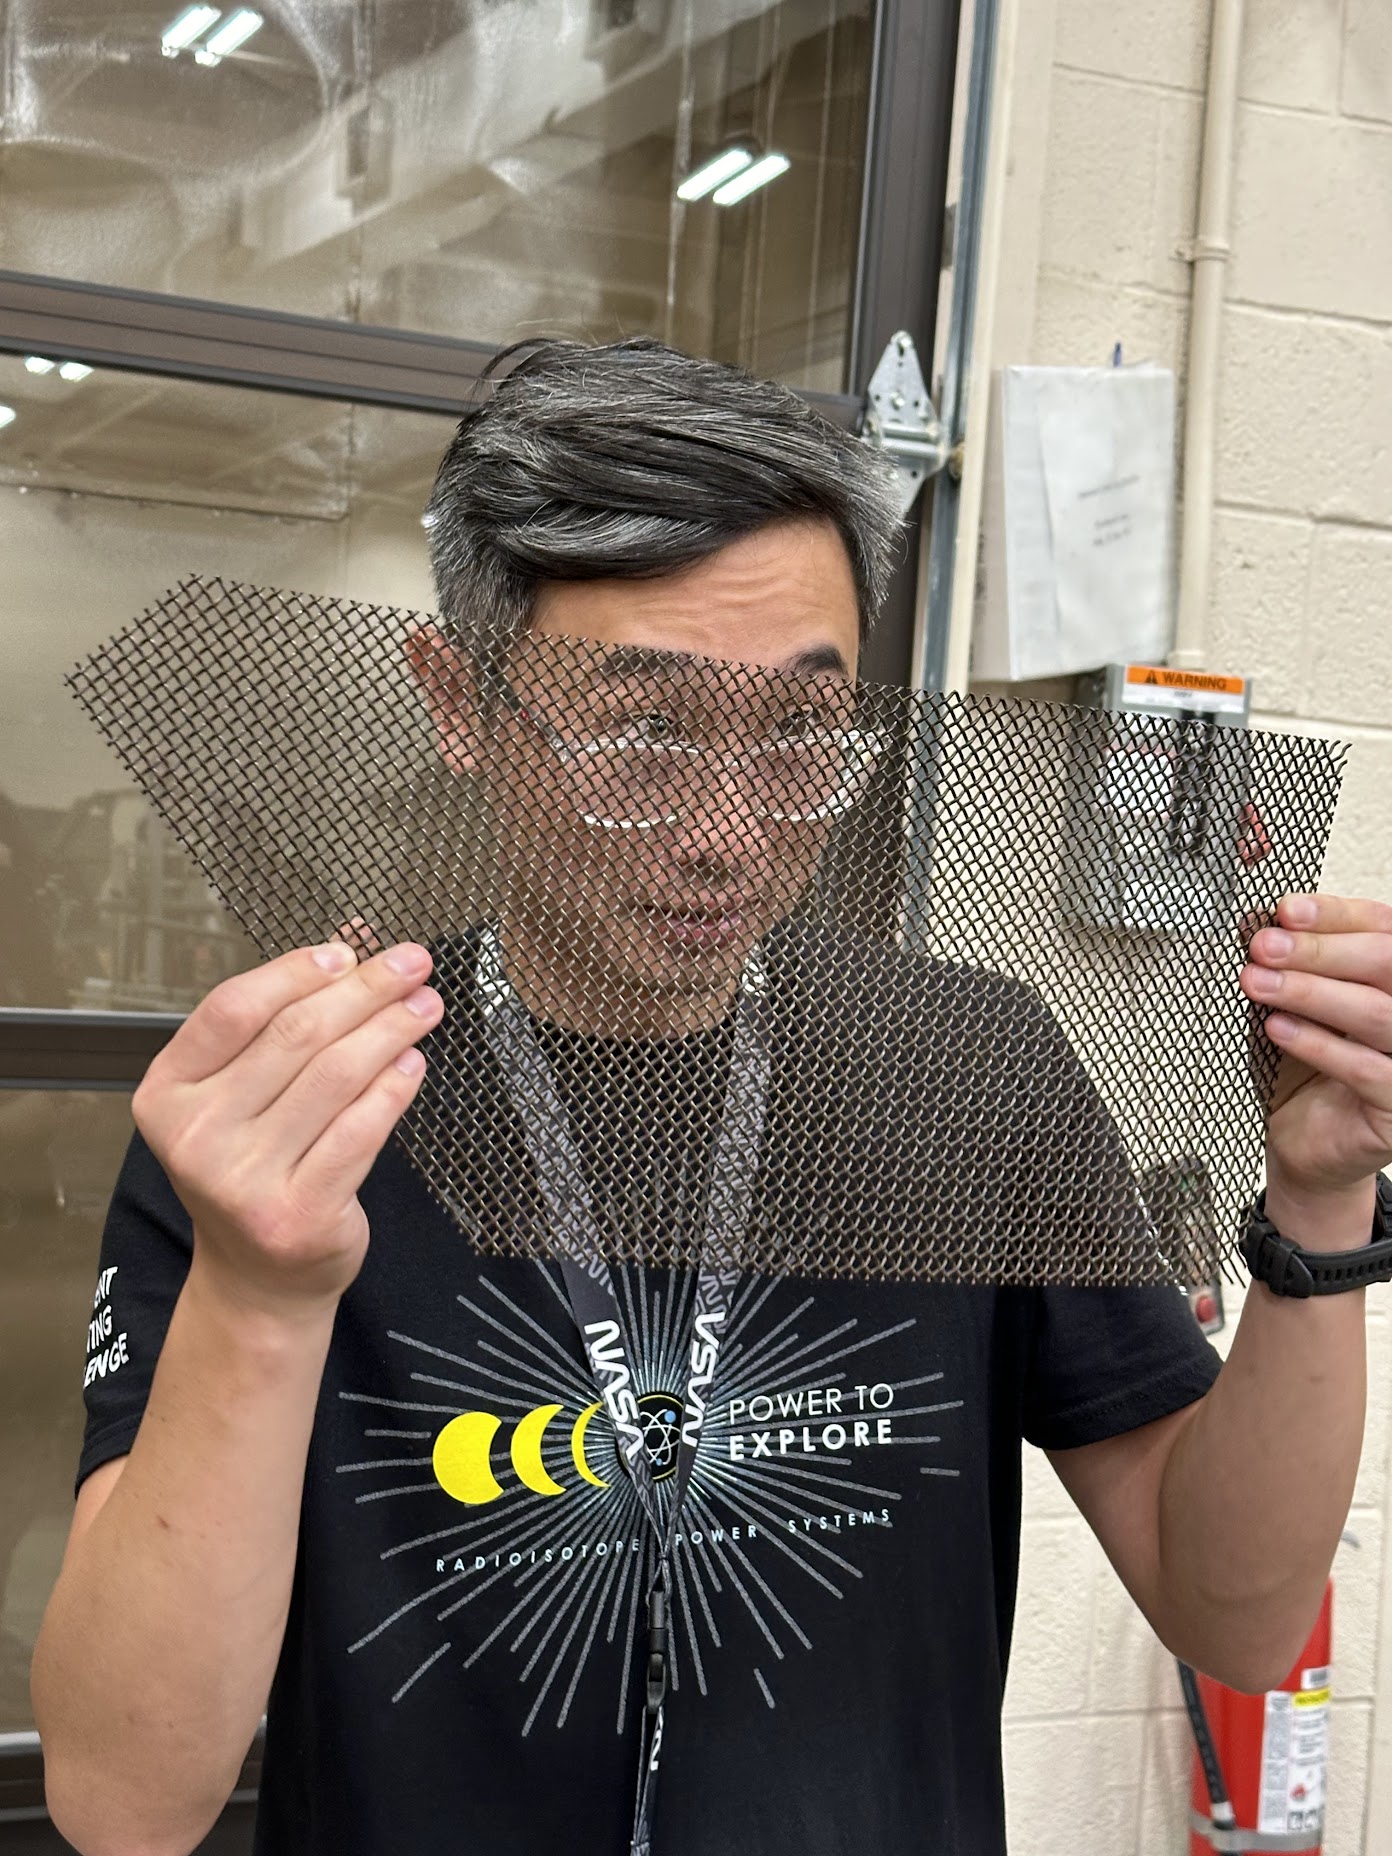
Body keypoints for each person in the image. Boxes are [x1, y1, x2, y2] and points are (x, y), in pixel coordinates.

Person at [32, 340, 1392, 1856]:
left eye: (802, 736)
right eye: (643, 733)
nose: (728, 836)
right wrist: (263, 1294)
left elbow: (1238, 1618)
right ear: (458, 702)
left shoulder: (974, 1070)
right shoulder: (297, 1128)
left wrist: (1322, 1208)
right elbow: (121, 1799)